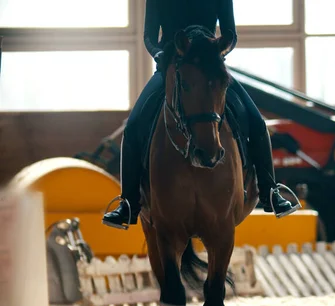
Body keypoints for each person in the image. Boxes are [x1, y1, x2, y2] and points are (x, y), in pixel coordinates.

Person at [102, 0, 300, 228]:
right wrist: (162, 54)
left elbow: (230, 34)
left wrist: (218, 47)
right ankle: (128, 203)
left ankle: (269, 191)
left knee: (257, 123)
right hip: (171, 66)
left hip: (210, 67)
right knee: (134, 125)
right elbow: (149, 36)